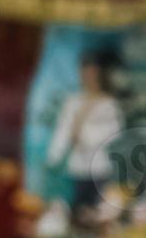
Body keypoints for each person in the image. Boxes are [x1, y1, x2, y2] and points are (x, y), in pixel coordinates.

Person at [45, 50, 124, 227]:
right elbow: (62, 131)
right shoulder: (73, 101)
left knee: (98, 214)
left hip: (99, 168)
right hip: (76, 168)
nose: (88, 77)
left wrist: (84, 136)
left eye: (92, 72)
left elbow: (113, 131)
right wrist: (53, 157)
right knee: (76, 213)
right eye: (85, 72)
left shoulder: (109, 103)